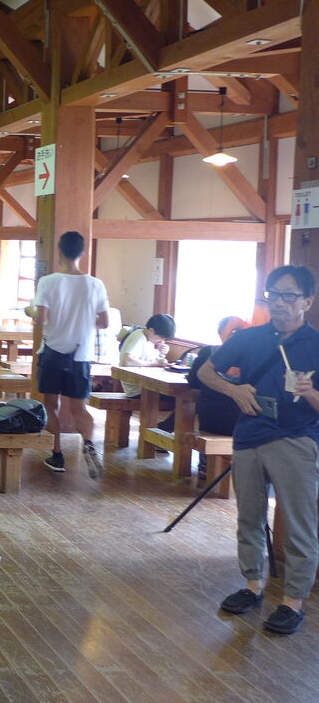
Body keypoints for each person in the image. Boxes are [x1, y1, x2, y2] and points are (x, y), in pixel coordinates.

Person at [199, 266, 319, 634]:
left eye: (289, 295)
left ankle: (293, 602)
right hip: (249, 435)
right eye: (273, 295)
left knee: (299, 523)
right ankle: (252, 585)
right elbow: (205, 371)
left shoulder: (315, 344)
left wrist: (310, 393)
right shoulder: (249, 337)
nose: (279, 302)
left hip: (296, 438)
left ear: (307, 301)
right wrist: (233, 390)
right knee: (248, 516)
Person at [32, 231, 110, 477]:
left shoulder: (48, 282)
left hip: (53, 352)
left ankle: (57, 455)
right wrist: (84, 322)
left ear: (60, 251)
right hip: (81, 355)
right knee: (79, 407)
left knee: (51, 404)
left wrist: (29, 311)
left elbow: (41, 318)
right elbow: (104, 322)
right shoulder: (95, 284)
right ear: (82, 252)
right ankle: (88, 442)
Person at [186, 316, 248, 478]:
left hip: (212, 419)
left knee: (205, 407)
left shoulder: (209, 352)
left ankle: (205, 465)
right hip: (242, 419)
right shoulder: (253, 357)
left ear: (221, 333)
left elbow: (194, 381)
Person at [119, 314, 177, 397]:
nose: (162, 342)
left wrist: (161, 354)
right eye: (161, 338)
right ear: (151, 330)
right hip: (138, 391)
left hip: (144, 387)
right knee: (177, 396)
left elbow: (150, 361)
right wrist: (155, 363)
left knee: (175, 394)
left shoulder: (148, 339)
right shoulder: (139, 337)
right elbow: (127, 361)